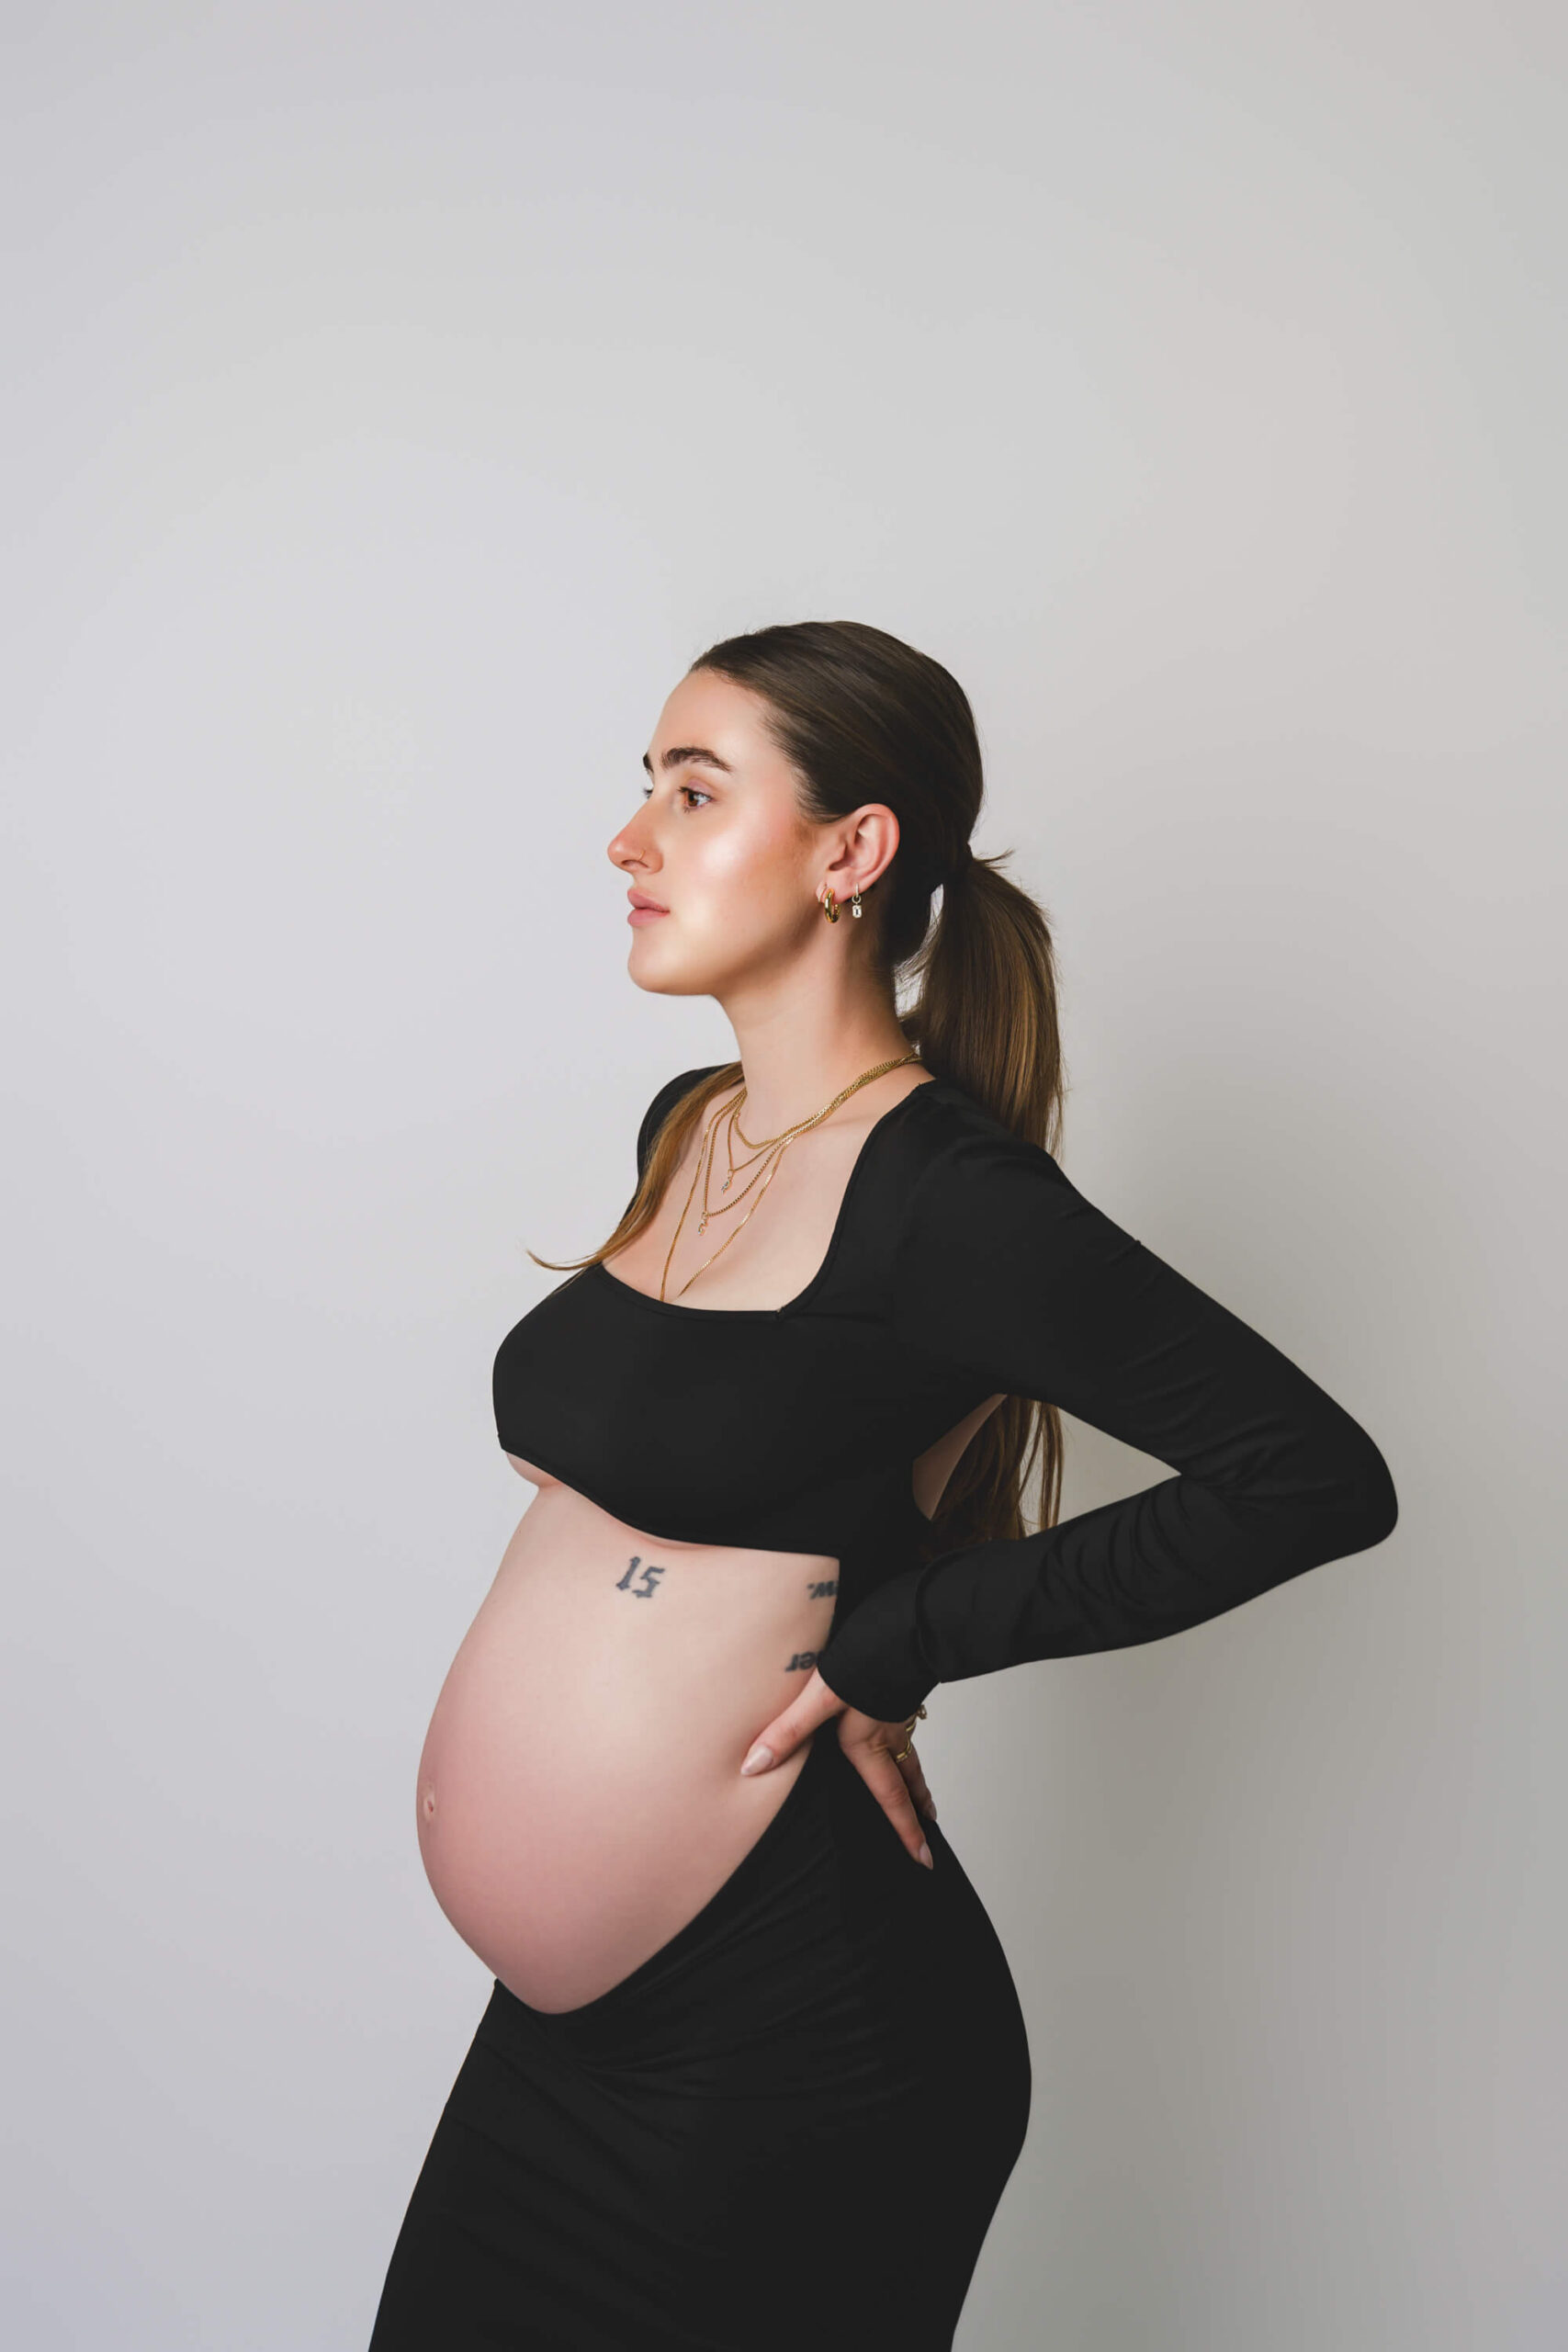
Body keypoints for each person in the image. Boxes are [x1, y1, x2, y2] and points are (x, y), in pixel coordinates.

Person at [367, 619, 1398, 2349]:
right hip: (562, 2045)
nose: (633, 840)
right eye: (646, 791)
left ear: (853, 851)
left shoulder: (955, 1204)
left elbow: (1308, 1476)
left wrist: (898, 1635)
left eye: (694, 792)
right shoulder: (692, 1125)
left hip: (789, 2041)